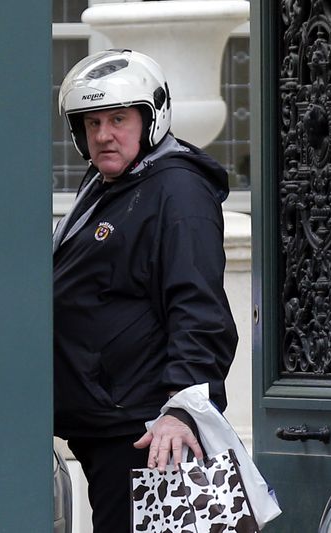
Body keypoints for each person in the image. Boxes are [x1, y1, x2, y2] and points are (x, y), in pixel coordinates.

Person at [53, 49, 238, 533]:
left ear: (151, 118)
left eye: (118, 119)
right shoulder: (109, 183)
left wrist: (182, 410)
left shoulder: (176, 190)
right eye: (91, 123)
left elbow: (198, 305)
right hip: (105, 423)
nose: (103, 135)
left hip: (144, 433)